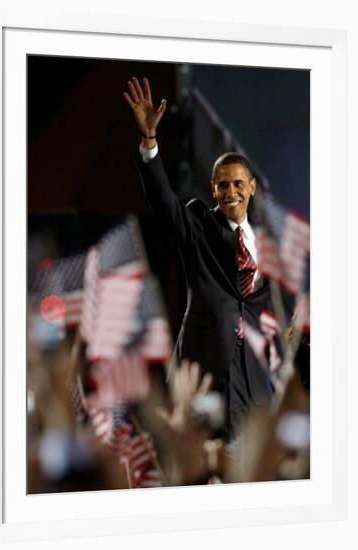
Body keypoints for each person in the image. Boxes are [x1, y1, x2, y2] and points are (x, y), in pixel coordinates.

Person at [124, 76, 275, 442]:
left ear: (252, 186)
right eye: (222, 185)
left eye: (238, 184)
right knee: (205, 462)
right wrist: (149, 143)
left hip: (254, 379)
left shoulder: (268, 246)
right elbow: (164, 205)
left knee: (251, 467)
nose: (230, 192)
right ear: (213, 189)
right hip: (206, 366)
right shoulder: (199, 223)